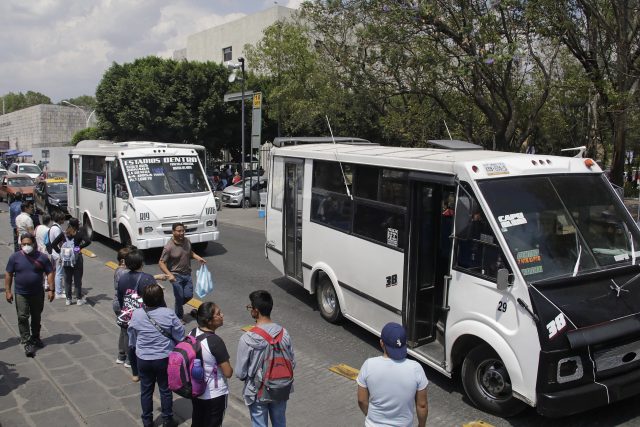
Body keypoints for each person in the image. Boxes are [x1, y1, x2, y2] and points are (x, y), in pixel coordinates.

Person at [236, 290, 295, 427]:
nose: (250, 310)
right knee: (280, 422)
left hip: (257, 390)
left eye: (250, 307)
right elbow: (293, 361)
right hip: (280, 387)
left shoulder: (247, 338)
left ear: (256, 311)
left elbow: (240, 373)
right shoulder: (284, 333)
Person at [128, 283, 184, 427]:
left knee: (146, 390)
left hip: (143, 358)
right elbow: (180, 334)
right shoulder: (168, 313)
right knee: (165, 390)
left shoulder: (137, 313)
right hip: (164, 357)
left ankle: (147, 421)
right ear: (161, 298)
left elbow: (132, 337)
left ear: (144, 299)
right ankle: (167, 419)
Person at [356, 322, 428, 427]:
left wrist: (371, 417)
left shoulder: (369, 365)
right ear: (404, 344)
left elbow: (361, 400)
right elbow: (422, 405)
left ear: (381, 343)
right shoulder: (416, 368)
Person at [117, 247, 167, 380]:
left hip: (129, 315)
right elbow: (157, 299)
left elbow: (121, 298)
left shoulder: (122, 278)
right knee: (145, 343)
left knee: (132, 343)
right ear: (141, 263)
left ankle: (135, 373)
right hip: (145, 316)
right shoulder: (147, 278)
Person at [4, 233, 55, 357]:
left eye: (28, 244)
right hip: (21, 293)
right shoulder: (14, 258)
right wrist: (8, 291)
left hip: (37, 293)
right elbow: (9, 274)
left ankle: (35, 336)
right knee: (22, 316)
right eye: (23, 244)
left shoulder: (42, 257)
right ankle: (26, 341)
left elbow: (50, 272)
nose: (26, 246)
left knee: (36, 316)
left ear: (34, 244)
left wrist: (51, 290)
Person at [190, 302, 233, 427]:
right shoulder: (215, 342)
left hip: (196, 390)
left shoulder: (191, 334)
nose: (222, 315)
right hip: (214, 394)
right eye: (218, 314)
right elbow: (228, 372)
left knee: (197, 421)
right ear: (209, 321)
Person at [158, 222, 206, 321]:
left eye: (183, 230)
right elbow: (161, 263)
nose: (181, 233)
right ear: (173, 232)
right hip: (175, 276)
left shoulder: (187, 241)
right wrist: (169, 275)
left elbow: (190, 252)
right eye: (179, 231)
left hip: (187, 274)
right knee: (179, 297)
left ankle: (177, 307)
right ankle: (178, 317)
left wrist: (198, 257)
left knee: (189, 295)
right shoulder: (169, 247)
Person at [51, 217, 91, 306]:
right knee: (77, 279)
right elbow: (88, 241)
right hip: (77, 259)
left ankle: (68, 299)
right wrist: (79, 248)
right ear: (77, 225)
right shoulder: (79, 234)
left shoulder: (64, 234)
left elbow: (53, 244)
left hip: (66, 259)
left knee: (67, 279)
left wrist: (60, 252)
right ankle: (79, 299)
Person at [113, 246, 132, 368]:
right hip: (124, 305)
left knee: (123, 330)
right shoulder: (124, 272)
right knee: (128, 332)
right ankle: (129, 359)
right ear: (124, 261)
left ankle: (121, 355)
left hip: (118, 304)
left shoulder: (118, 270)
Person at [48, 211, 65, 298]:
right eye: (63, 219)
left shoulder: (53, 227)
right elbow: (60, 242)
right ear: (60, 219)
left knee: (59, 272)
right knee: (59, 273)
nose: (64, 221)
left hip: (54, 253)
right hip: (58, 254)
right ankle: (59, 292)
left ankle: (59, 289)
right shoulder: (57, 229)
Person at [34, 214, 51, 289]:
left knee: (39, 267)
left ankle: (40, 282)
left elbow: (34, 235)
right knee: (47, 268)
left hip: (38, 249)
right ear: (49, 221)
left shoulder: (37, 227)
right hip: (45, 250)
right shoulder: (48, 230)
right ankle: (46, 284)